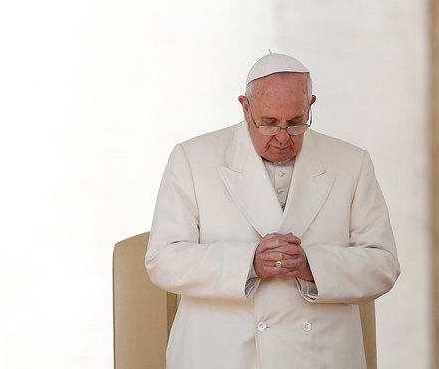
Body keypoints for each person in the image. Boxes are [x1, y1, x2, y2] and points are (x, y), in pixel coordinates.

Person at [145, 53, 400, 369]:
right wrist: (249, 263)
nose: (282, 137)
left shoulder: (352, 162)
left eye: (295, 122)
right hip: (222, 354)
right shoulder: (191, 158)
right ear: (245, 108)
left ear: (310, 106)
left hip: (321, 354)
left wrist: (310, 265)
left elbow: (384, 264)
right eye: (268, 123)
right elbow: (162, 260)